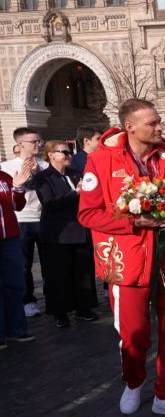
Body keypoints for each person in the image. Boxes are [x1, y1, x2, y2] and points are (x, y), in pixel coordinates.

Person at [78, 99, 165, 417]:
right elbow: (87, 214)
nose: (160, 128)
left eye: (159, 121)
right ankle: (133, 381)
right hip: (126, 261)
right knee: (134, 334)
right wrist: (133, 222)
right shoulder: (101, 160)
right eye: (152, 123)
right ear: (129, 126)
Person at [32, 140, 98, 328]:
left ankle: (84, 308)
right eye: (64, 152)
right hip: (57, 234)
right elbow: (49, 202)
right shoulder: (43, 177)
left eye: (69, 152)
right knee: (58, 274)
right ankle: (60, 312)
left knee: (83, 271)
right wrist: (75, 193)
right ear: (51, 155)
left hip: (80, 230)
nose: (69, 156)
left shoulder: (75, 174)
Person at [0, 128, 49, 318]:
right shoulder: (6, 167)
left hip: (43, 218)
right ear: (20, 144)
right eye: (33, 141)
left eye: (39, 141)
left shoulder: (45, 165)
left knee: (48, 263)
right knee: (24, 265)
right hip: (21, 220)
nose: (38, 144)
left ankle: (52, 299)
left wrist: (38, 174)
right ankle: (28, 301)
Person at [0, 164, 35, 349]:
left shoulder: (5, 177)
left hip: (11, 238)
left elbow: (17, 206)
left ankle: (16, 329)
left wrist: (19, 187)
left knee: (15, 284)